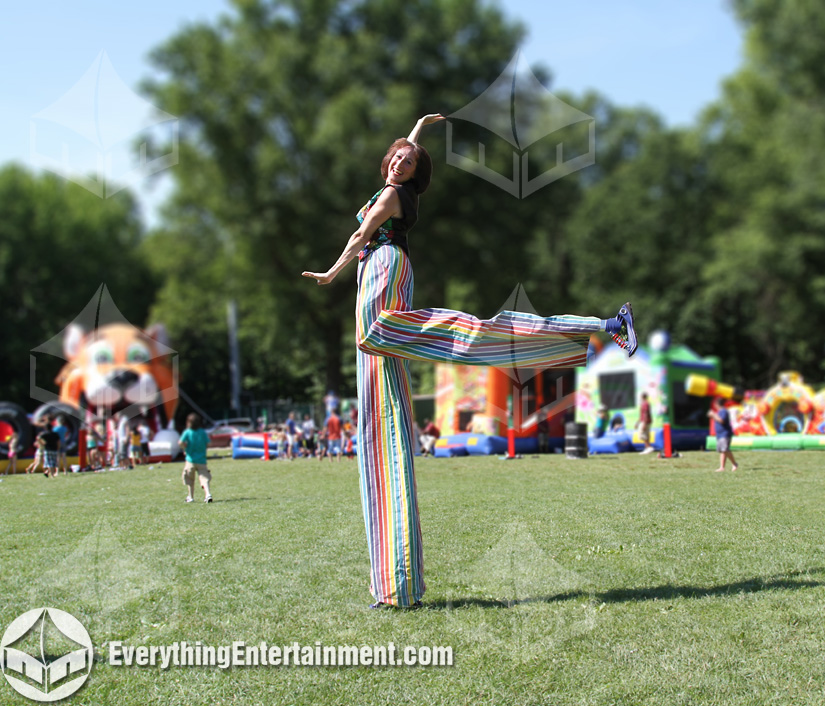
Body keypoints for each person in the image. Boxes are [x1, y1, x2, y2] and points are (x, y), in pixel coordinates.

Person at [301, 114, 638, 608]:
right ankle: (397, 588)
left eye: (408, 161)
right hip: (377, 275)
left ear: (413, 175)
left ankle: (600, 325)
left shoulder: (392, 198)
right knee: (382, 429)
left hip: (381, 272)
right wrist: (418, 129)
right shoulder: (396, 182)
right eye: (395, 156)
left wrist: (331, 274)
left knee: (389, 334)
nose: (399, 160)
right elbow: (404, 152)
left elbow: (359, 239)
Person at [178, 413, 213, 503]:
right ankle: (208, 494)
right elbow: (209, 443)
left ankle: (190, 496)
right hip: (201, 460)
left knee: (190, 479)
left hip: (190, 460)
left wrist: (185, 449)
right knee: (204, 478)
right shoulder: (202, 432)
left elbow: (180, 442)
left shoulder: (187, 432)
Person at [709, 397, 738, 472]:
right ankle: (722, 467)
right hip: (720, 434)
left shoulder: (724, 411)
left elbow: (721, 421)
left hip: (724, 434)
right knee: (722, 451)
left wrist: (713, 415)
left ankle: (734, 464)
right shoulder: (719, 412)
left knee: (725, 449)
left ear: (717, 404)